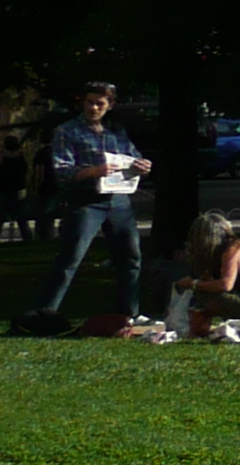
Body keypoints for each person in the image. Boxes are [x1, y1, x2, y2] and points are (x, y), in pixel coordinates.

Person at [30, 81, 150, 323]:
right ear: (82, 102)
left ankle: (129, 313)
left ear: (110, 105)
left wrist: (142, 166)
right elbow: (62, 170)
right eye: (89, 102)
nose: (93, 108)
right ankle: (44, 312)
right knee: (71, 256)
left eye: (99, 103)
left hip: (118, 200)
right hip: (86, 202)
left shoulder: (116, 132)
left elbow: (133, 157)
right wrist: (93, 171)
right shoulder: (68, 131)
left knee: (130, 256)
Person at [173, 213, 240, 338]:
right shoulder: (228, 249)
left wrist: (193, 284)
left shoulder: (232, 251)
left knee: (203, 294)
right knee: (205, 290)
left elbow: (225, 285)